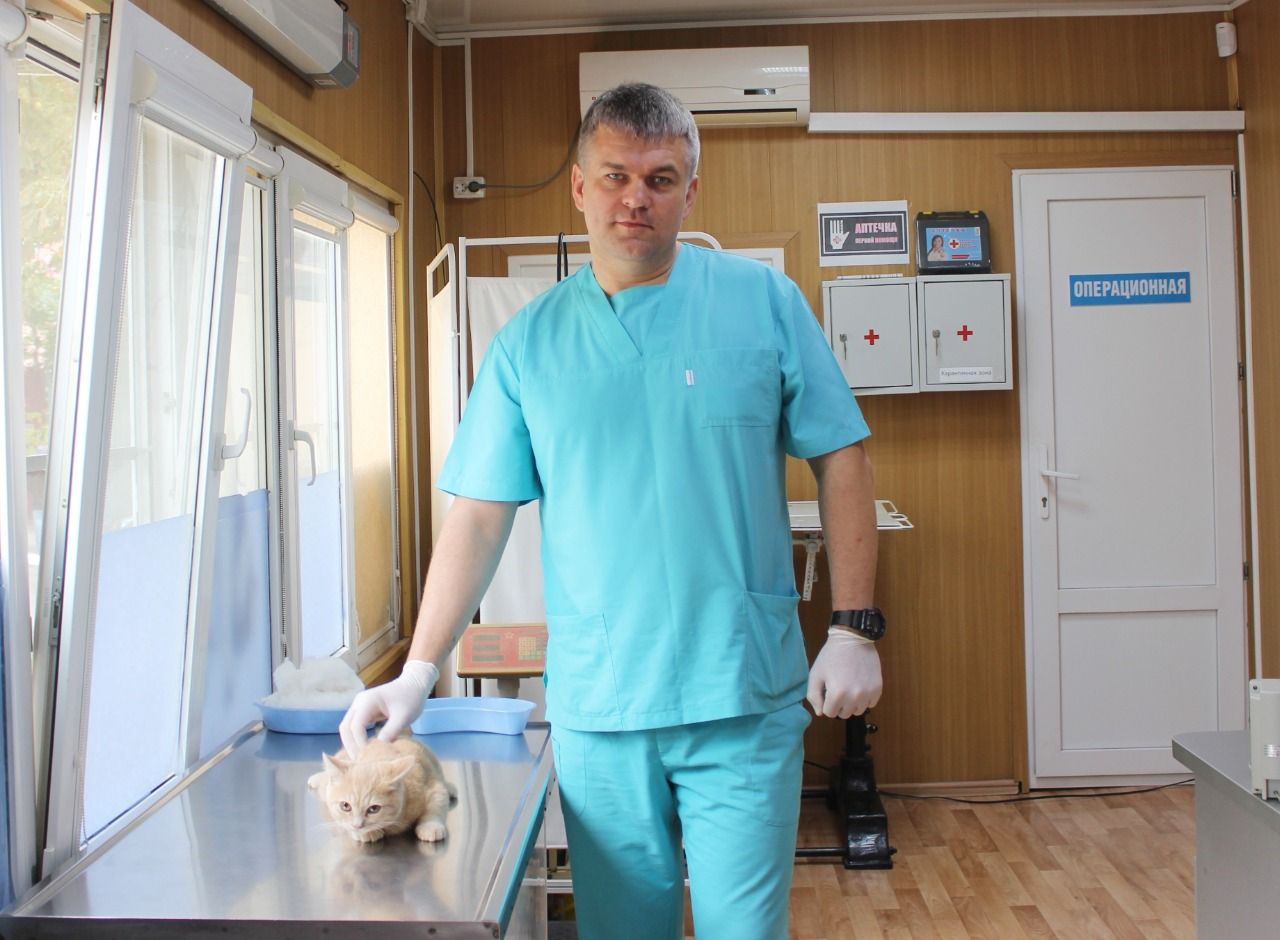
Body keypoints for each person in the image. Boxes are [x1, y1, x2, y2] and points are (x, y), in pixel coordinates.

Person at [340, 82, 883, 940]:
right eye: (616, 176)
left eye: (661, 179)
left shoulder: (763, 303)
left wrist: (854, 627)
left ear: (691, 192)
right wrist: (418, 667)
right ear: (579, 187)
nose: (637, 198)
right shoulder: (529, 343)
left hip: (740, 694)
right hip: (605, 708)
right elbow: (479, 516)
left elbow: (841, 456)